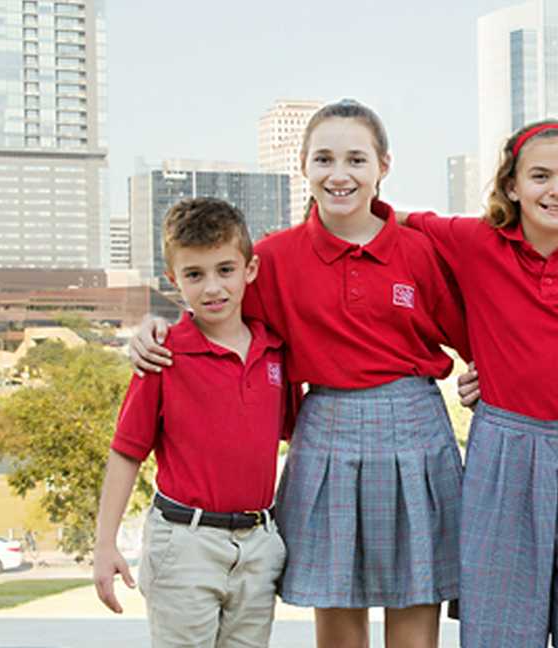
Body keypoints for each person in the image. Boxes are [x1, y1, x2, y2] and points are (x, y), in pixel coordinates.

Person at [128, 100, 466, 648]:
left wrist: (483, 378)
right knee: (337, 605)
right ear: (303, 167)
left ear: (383, 165)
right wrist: (153, 327)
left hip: (416, 430)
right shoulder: (273, 258)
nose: (339, 174)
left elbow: (476, 337)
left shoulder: (420, 251)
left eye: (356, 159)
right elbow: (214, 307)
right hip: (327, 428)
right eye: (324, 159)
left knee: (415, 597)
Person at [401, 119, 558, 648]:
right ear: (512, 186)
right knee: (502, 623)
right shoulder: (473, 241)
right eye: (540, 176)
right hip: (505, 450)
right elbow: (394, 218)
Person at [93, 197, 293, 648]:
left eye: (225, 270)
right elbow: (126, 452)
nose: (212, 288)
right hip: (185, 544)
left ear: (250, 270)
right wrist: (105, 545)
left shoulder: (274, 351)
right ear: (174, 280)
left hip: (257, 546)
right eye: (195, 275)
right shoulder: (163, 353)